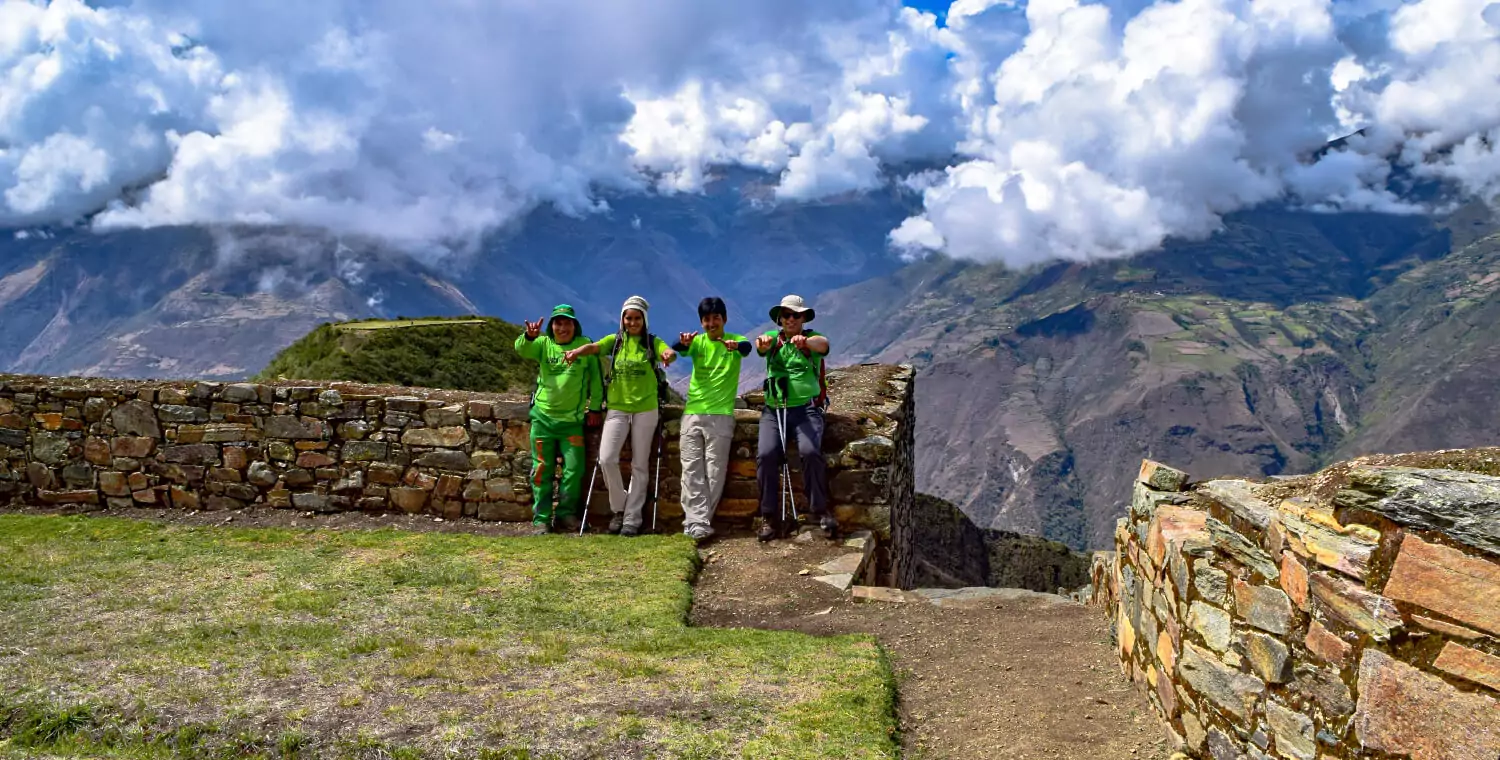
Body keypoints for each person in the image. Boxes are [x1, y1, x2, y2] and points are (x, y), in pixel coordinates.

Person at [562, 296, 676, 536]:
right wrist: (578, 351)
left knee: (639, 464)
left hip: (646, 408)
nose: (632, 322)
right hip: (617, 408)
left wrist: (668, 356)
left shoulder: (652, 342)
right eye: (628, 318)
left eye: (636, 318)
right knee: (606, 458)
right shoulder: (615, 342)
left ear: (644, 320)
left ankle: (632, 519)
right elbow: (595, 347)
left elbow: (667, 351)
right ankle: (620, 508)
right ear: (622, 319)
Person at [514, 304, 603, 535]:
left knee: (574, 469)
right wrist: (529, 337)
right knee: (542, 469)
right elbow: (522, 350)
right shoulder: (543, 344)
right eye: (558, 323)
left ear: (575, 325)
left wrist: (594, 409)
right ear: (552, 326)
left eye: (567, 323)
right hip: (543, 420)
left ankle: (565, 515)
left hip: (572, 423)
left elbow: (596, 380)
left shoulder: (584, 346)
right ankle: (541, 519)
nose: (562, 328)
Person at [672, 297, 753, 542]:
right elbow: (679, 346)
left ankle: (699, 522)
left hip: (721, 414)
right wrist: (682, 341)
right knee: (691, 469)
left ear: (724, 319)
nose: (711, 323)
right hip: (693, 412)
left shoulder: (735, 341)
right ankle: (697, 523)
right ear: (701, 322)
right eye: (706, 319)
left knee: (714, 471)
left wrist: (735, 348)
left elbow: (747, 348)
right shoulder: (697, 342)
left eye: (715, 318)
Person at [755, 294, 834, 542]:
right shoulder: (773, 341)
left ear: (803, 318)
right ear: (780, 318)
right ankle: (768, 516)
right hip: (773, 409)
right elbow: (759, 346)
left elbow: (825, 345)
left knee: (810, 452)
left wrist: (806, 343)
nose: (790, 319)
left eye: (795, 315)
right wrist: (763, 344)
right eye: (786, 315)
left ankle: (820, 510)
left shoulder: (811, 339)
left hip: (806, 409)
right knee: (766, 455)